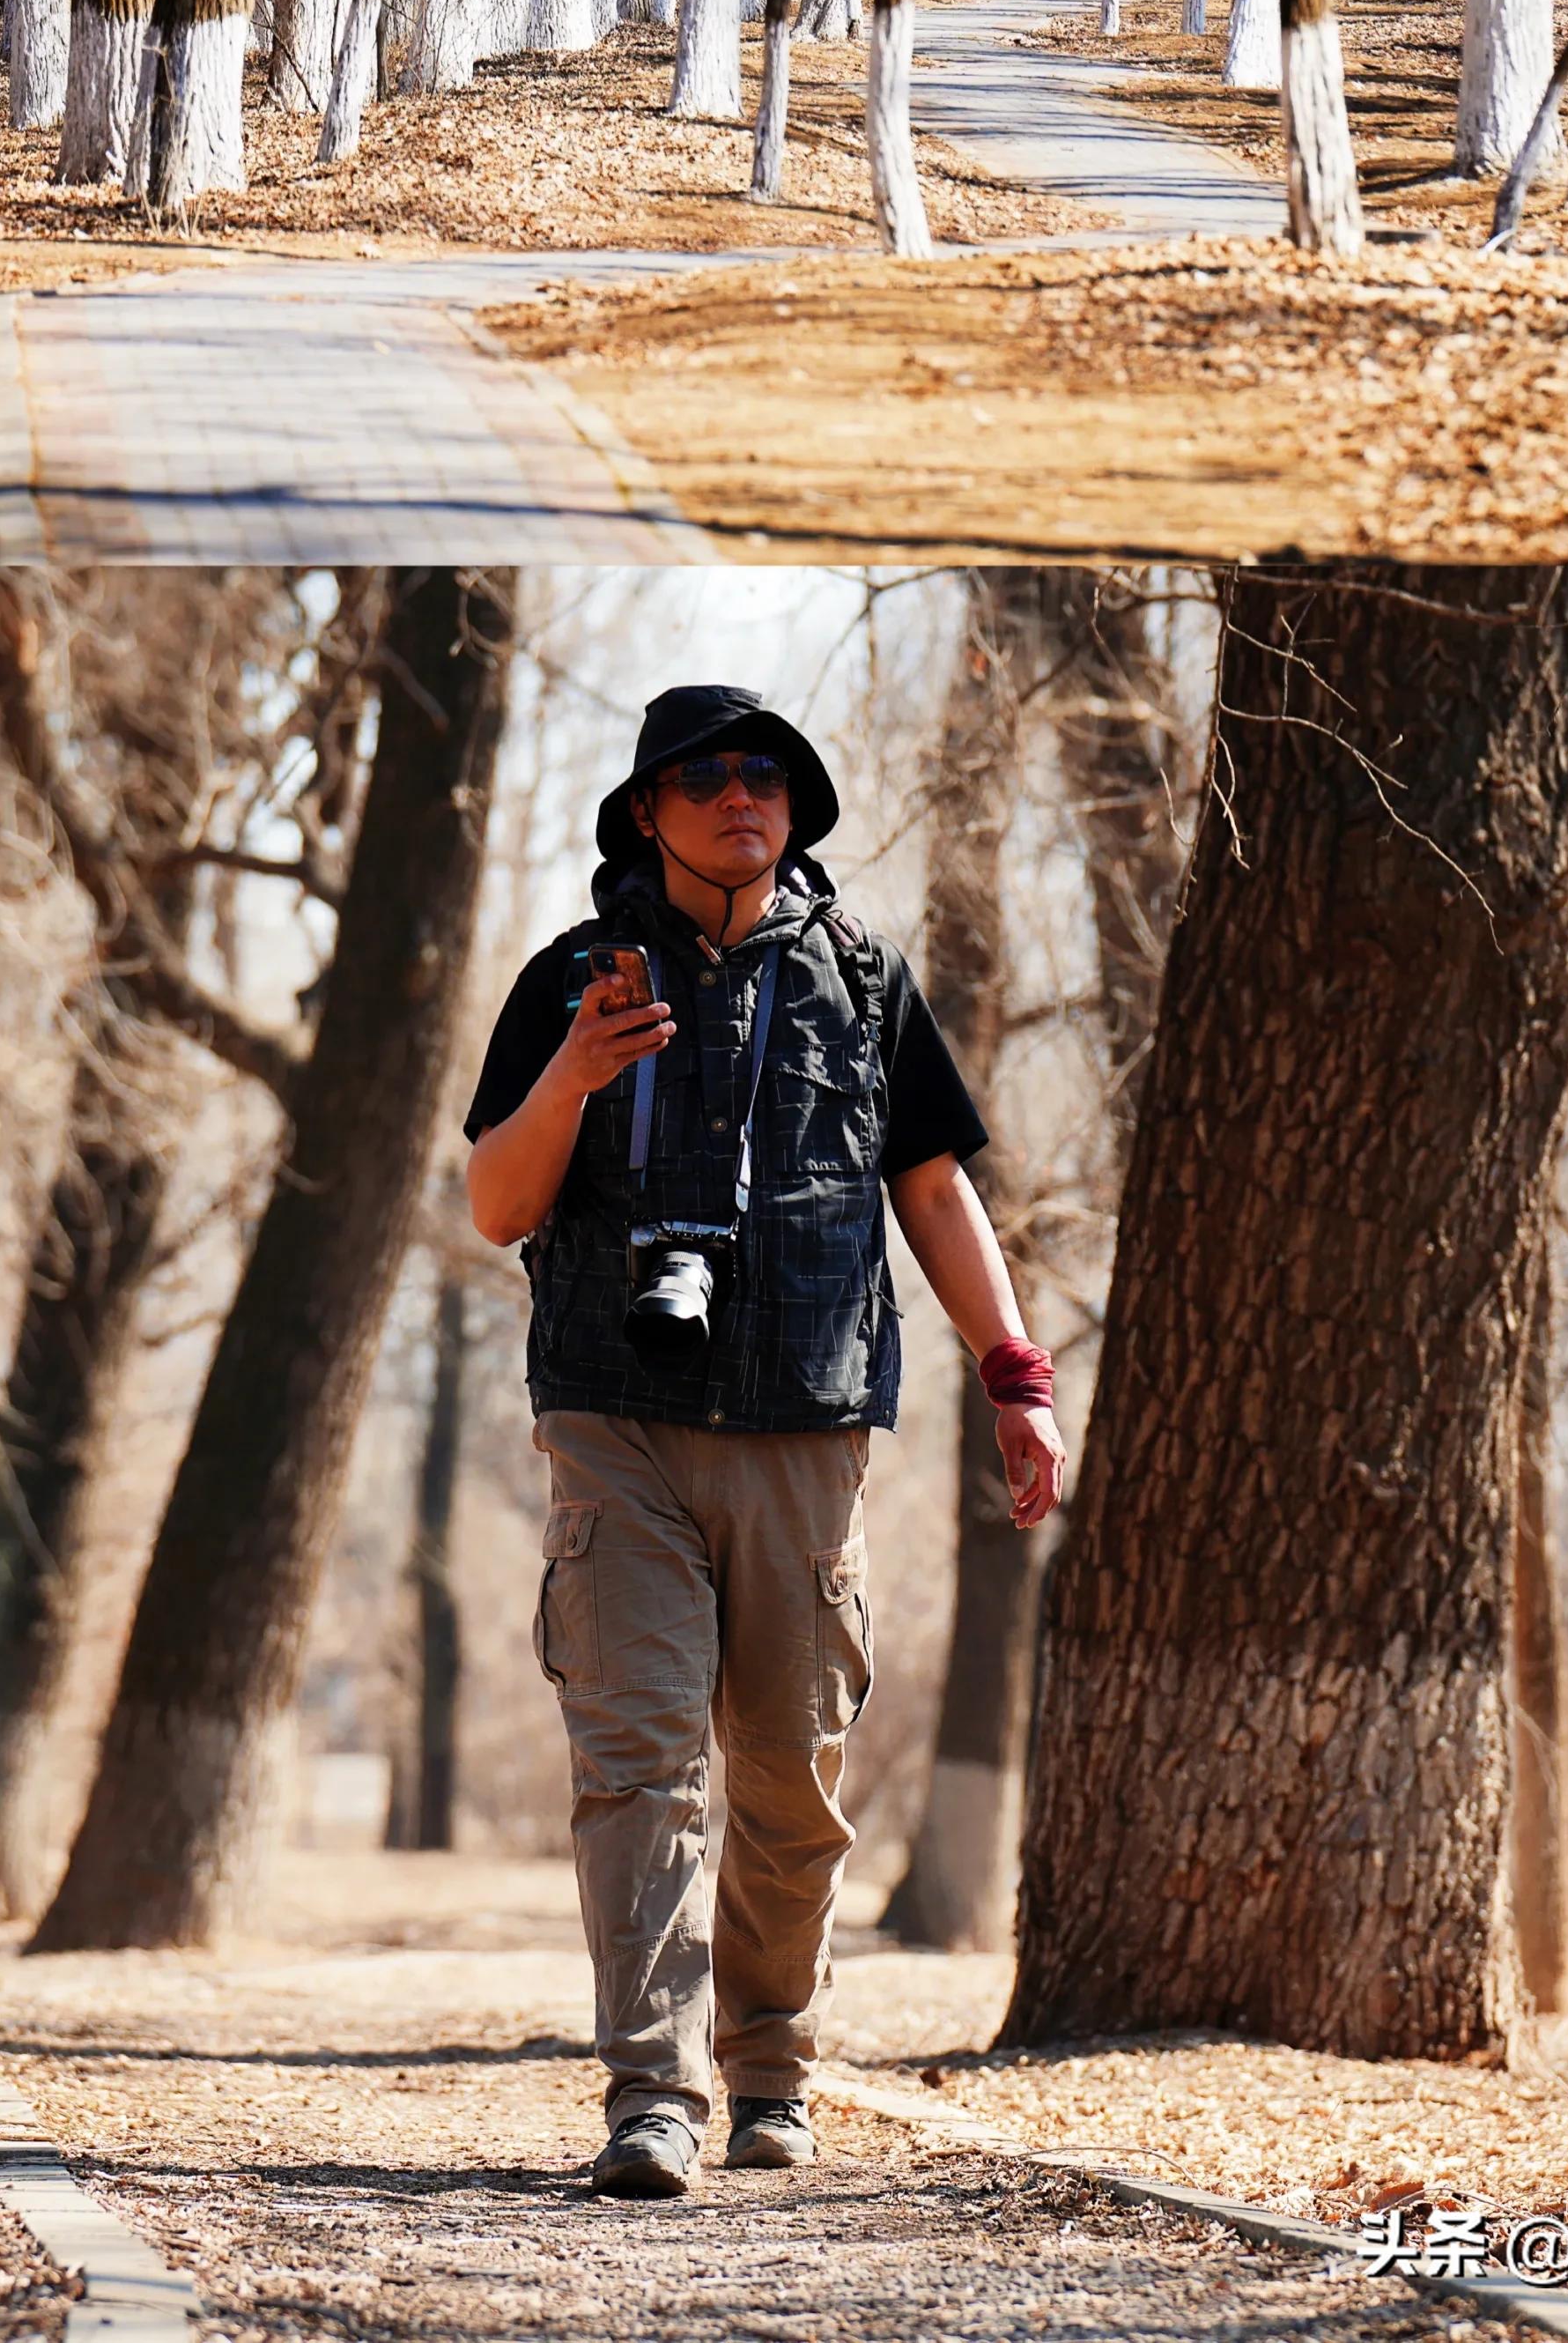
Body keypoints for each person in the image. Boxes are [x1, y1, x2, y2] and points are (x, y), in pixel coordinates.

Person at [464, 682, 1068, 2200]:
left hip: (807, 1419)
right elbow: (497, 1203)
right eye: (709, 775)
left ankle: (773, 2068)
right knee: (640, 1762)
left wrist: (1015, 1369)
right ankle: (652, 2094)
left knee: (791, 1775)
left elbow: (933, 1189)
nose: (744, 795)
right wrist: (575, 1074)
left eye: (768, 775)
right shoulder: (569, 979)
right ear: (648, 811)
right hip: (615, 1418)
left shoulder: (863, 978)